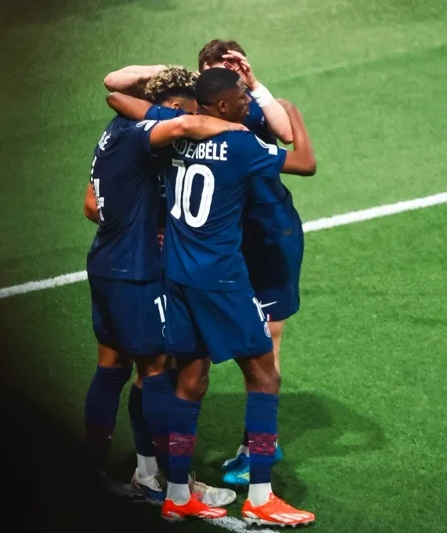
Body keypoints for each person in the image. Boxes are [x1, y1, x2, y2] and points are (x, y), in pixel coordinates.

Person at [154, 67, 316, 526]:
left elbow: (122, 99)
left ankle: (178, 493)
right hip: (222, 279)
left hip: (178, 276)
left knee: (191, 380)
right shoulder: (241, 143)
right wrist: (295, 117)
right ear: (222, 106)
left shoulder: (171, 134)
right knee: (264, 376)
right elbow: (304, 163)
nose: (248, 104)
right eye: (242, 99)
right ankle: (262, 497)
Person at [82, 67, 238, 516]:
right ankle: (177, 492)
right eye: (184, 115)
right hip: (137, 273)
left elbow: (91, 205)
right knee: (158, 372)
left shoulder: (114, 131)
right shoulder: (145, 132)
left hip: (105, 263)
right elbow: (181, 123)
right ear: (169, 111)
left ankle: (112, 474)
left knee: (110, 369)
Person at [198, 39, 303, 485]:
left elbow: (288, 134)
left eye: (232, 68)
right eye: (216, 68)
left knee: (267, 347)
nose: (230, 75)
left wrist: (256, 84)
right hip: (228, 242)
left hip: (270, 235)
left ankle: (258, 444)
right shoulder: (197, 115)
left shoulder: (247, 107)